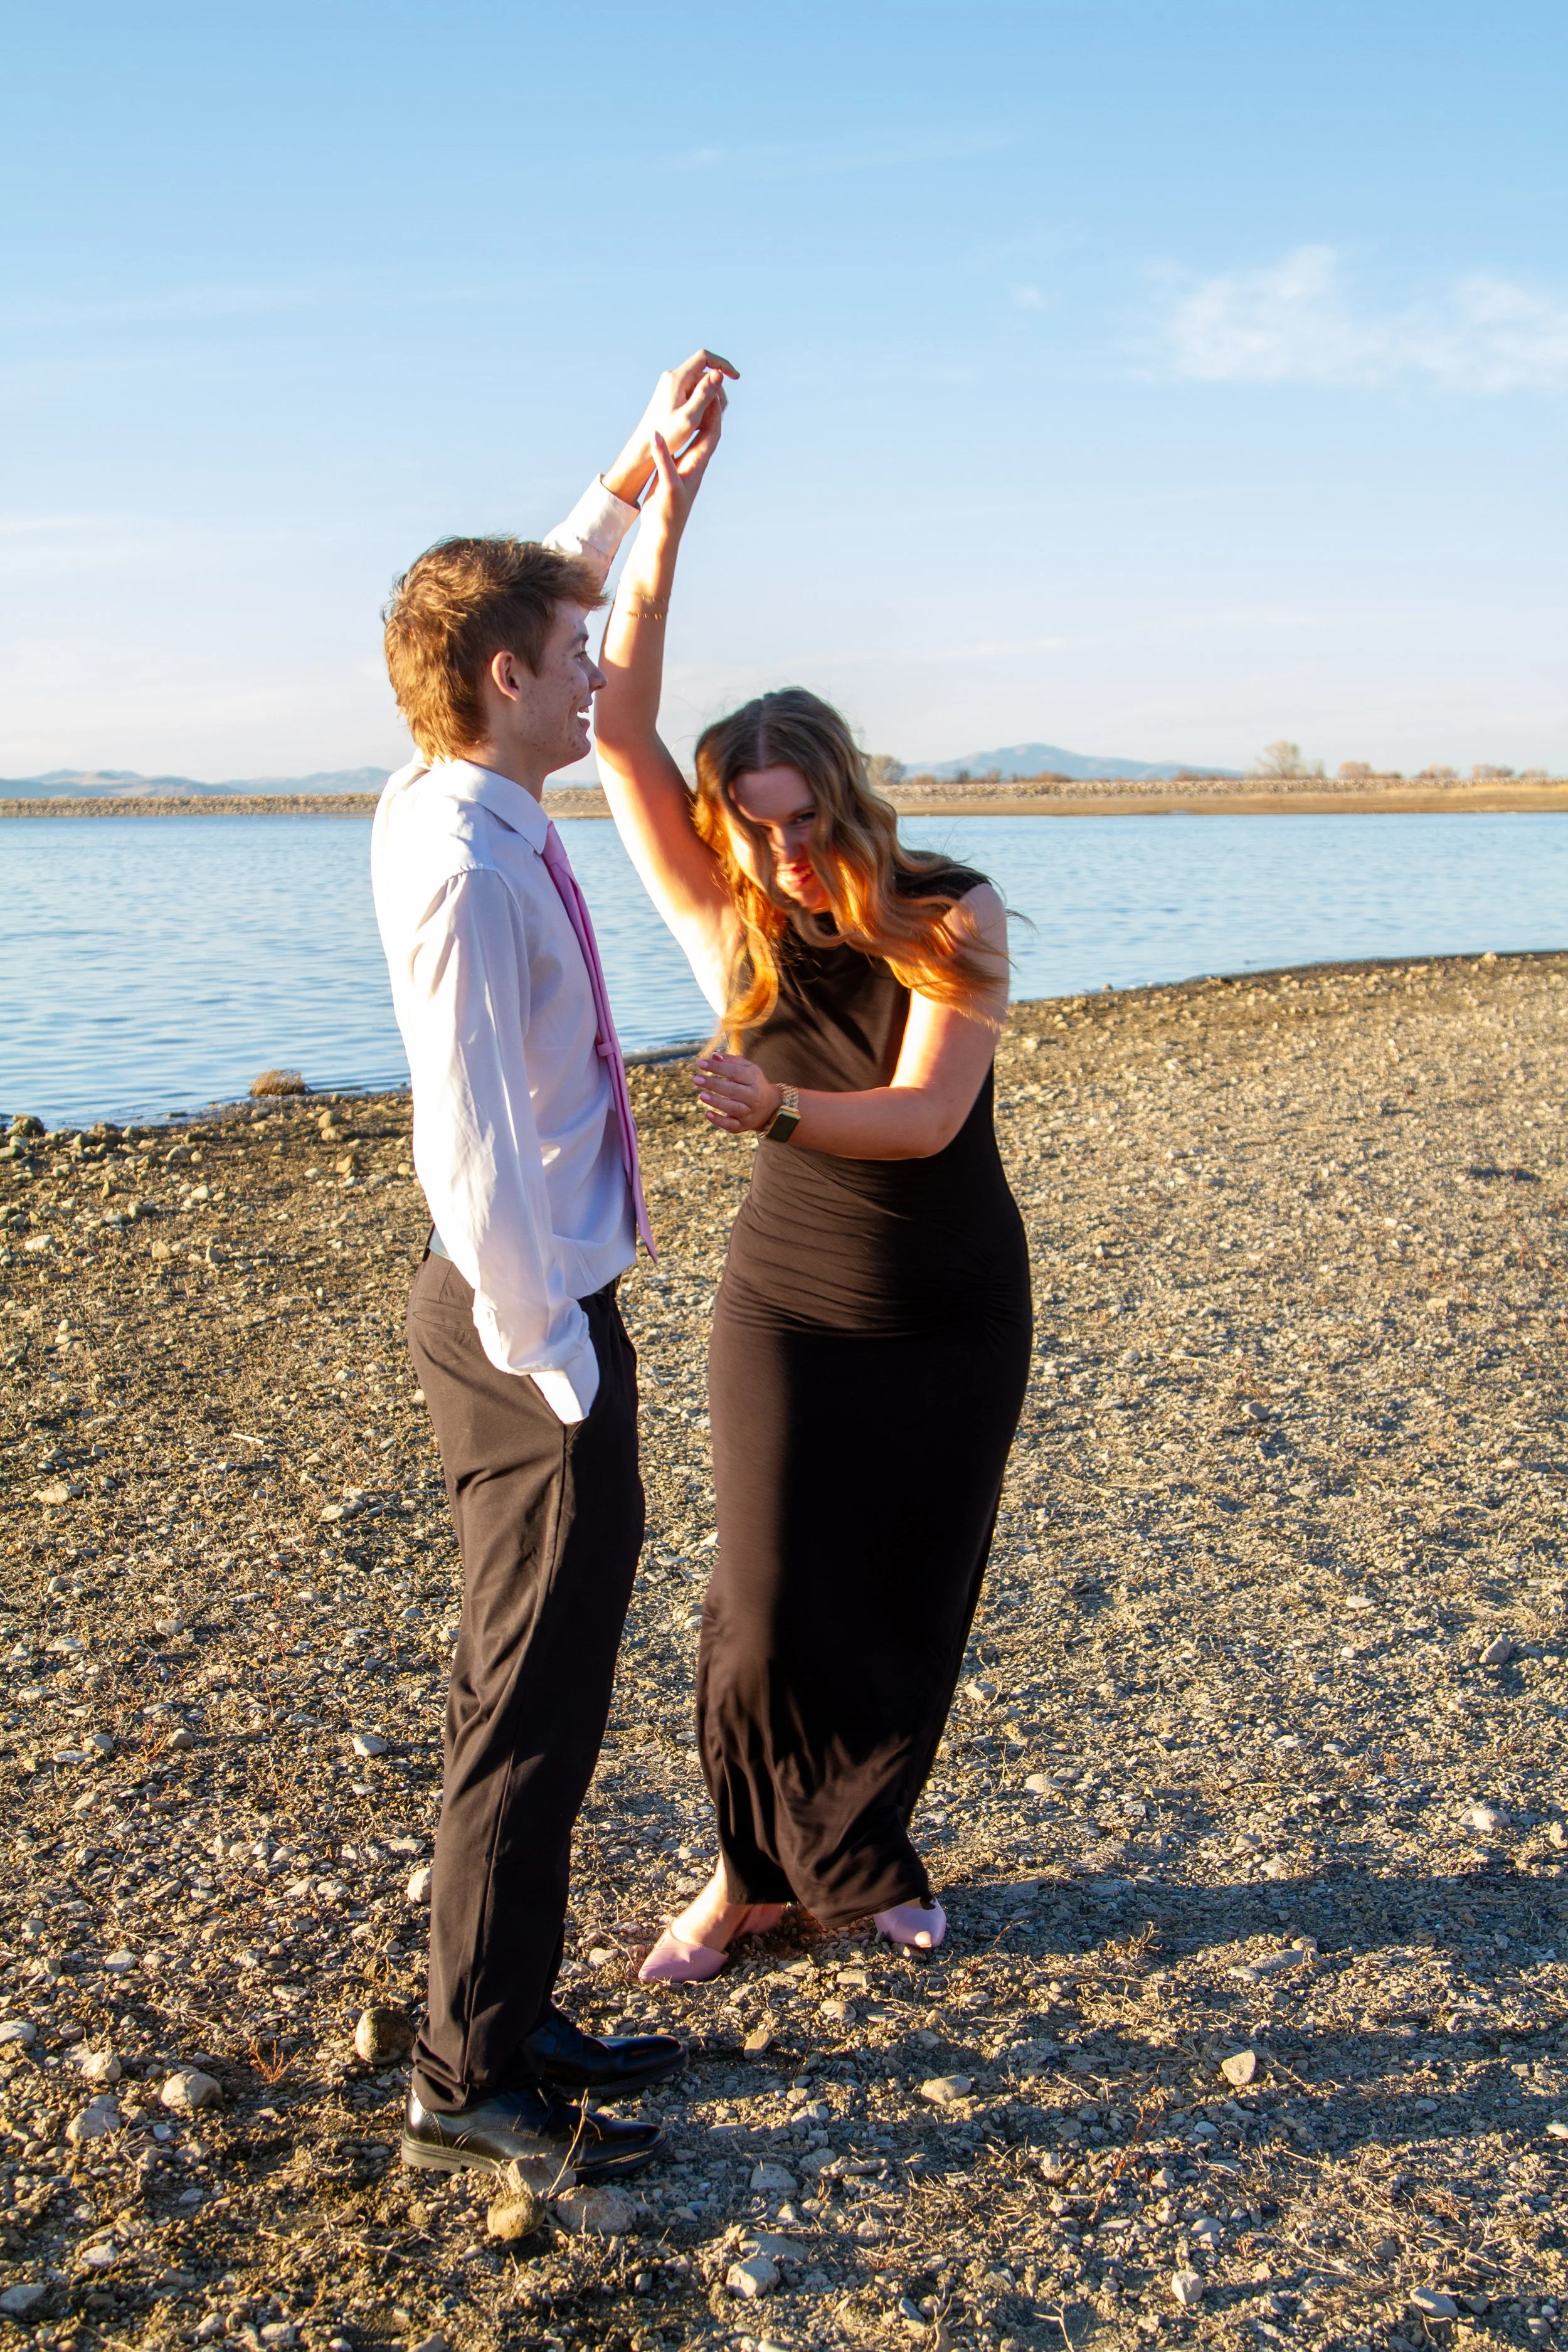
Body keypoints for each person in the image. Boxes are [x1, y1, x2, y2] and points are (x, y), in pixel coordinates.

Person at [591, 428, 1032, 1983]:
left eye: (796, 818)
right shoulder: (727, 922)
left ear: (841, 796)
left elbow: (920, 1119)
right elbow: (618, 717)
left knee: (909, 1582)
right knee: (766, 1597)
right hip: (787, 1296)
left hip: (947, 1299)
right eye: (750, 825)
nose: (776, 854)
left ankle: (861, 1857)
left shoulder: (944, 911)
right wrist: (663, 502)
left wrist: (775, 1104)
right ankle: (740, 1877)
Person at [371, 352, 735, 2181]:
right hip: (524, 1326)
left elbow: (535, 588)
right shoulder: (458, 858)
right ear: (505, 680)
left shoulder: (470, 790)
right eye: (570, 654)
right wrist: (550, 1349)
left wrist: (635, 475)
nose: (599, 673)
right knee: (527, 1700)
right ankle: (467, 2083)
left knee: (526, 1681)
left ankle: (495, 2004)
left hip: (548, 1310)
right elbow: (464, 1141)